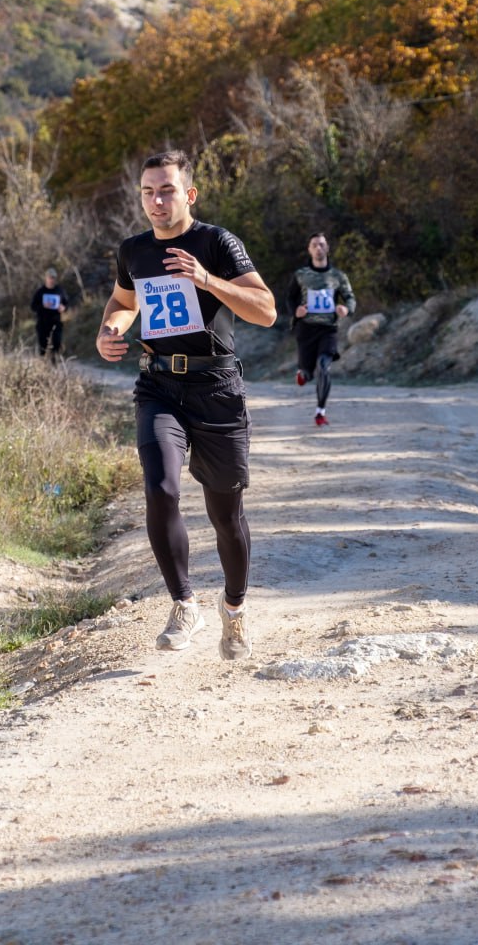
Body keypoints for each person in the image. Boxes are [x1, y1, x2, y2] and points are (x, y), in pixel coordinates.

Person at [96, 149, 276, 661]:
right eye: (148, 191)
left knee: (226, 514)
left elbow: (265, 311)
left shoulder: (217, 243)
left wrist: (206, 280)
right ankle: (183, 603)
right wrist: (109, 331)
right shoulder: (133, 250)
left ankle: (234, 610)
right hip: (158, 386)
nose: (157, 199)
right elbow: (124, 303)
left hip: (216, 388)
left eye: (167, 189)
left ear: (189, 193)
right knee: (161, 488)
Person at [286, 232, 356, 427]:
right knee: (308, 374)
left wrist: (346, 308)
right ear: (309, 249)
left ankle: (320, 412)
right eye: (315, 245)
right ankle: (303, 373)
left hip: (328, 329)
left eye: (322, 244)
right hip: (306, 330)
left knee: (324, 367)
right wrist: (296, 311)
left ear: (327, 248)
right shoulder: (300, 275)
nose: (319, 248)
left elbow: (350, 297)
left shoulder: (338, 276)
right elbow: (290, 298)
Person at [31, 267, 69, 361]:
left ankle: (54, 364)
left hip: (56, 322)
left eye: (53, 278)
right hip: (42, 323)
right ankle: (42, 365)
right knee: (43, 345)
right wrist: (43, 306)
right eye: (50, 277)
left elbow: (66, 303)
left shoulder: (60, 291)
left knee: (56, 343)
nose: (51, 280)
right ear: (46, 278)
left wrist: (63, 308)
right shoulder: (40, 292)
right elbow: (33, 307)